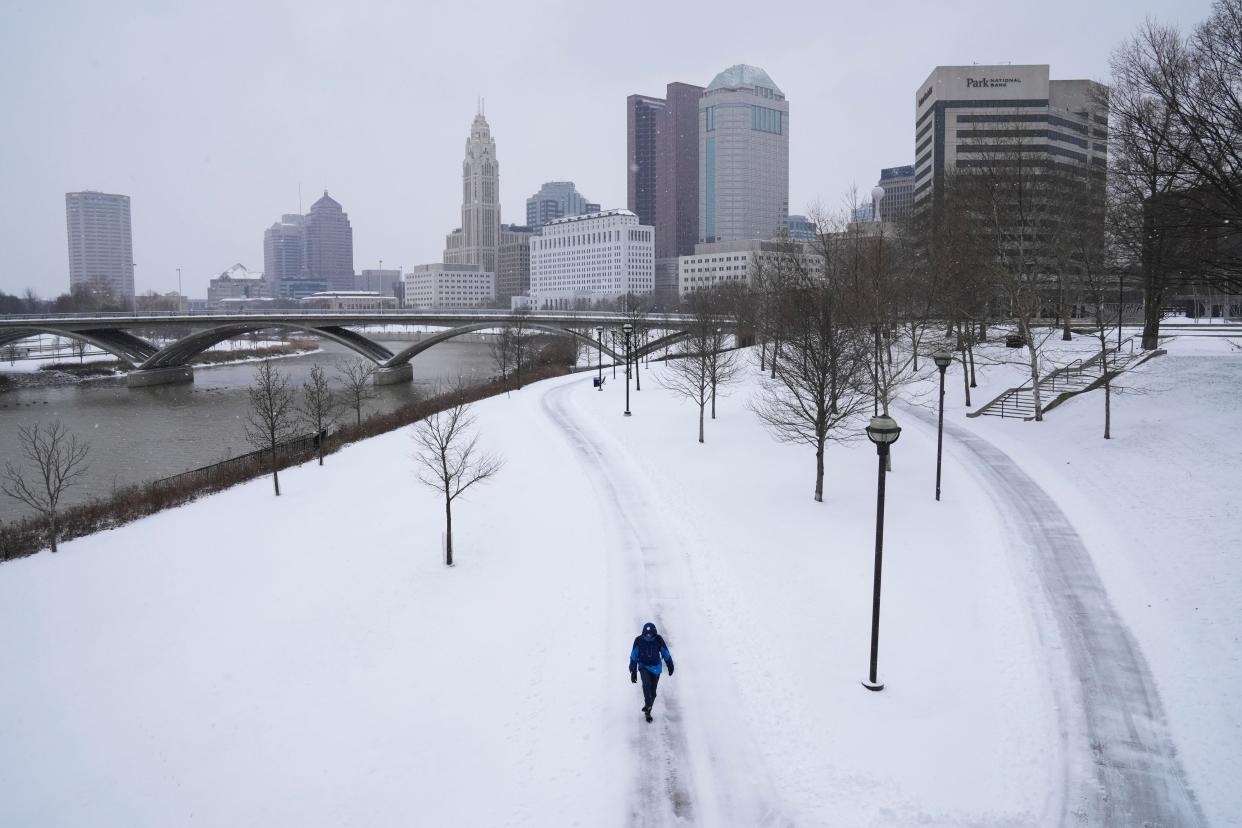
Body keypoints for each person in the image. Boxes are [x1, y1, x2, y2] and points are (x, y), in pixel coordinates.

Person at [629, 622, 674, 722]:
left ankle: (648, 710)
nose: (649, 636)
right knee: (646, 684)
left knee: (653, 693)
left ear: (654, 633)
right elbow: (634, 656)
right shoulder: (638, 640)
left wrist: (670, 665)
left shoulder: (658, 639)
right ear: (644, 633)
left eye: (651, 634)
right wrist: (633, 671)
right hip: (643, 666)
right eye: (647, 634)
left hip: (656, 668)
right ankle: (648, 704)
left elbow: (665, 652)